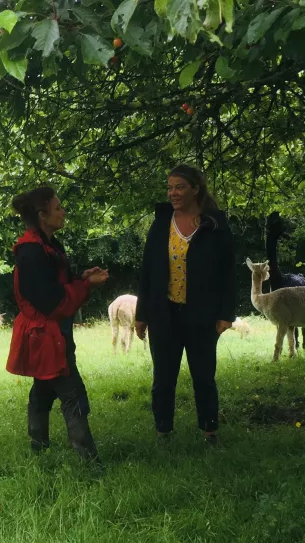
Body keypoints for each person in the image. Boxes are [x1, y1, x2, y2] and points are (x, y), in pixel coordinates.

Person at [134, 164, 237, 446]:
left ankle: (209, 432)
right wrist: (142, 314)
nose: (173, 193)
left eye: (179, 187)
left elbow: (229, 271)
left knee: (204, 377)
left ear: (195, 188)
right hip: (163, 314)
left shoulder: (214, 224)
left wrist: (226, 314)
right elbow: (148, 271)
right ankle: (163, 433)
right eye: (169, 188)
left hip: (202, 315)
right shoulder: (161, 222)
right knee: (163, 379)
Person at [5, 186, 108, 465]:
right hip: (45, 335)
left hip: (54, 334)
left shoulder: (50, 246)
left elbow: (58, 285)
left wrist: (80, 278)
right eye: (58, 208)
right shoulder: (30, 254)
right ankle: (90, 462)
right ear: (42, 215)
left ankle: (38, 449)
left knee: (43, 387)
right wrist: (86, 286)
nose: (63, 212)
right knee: (72, 393)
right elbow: (54, 303)